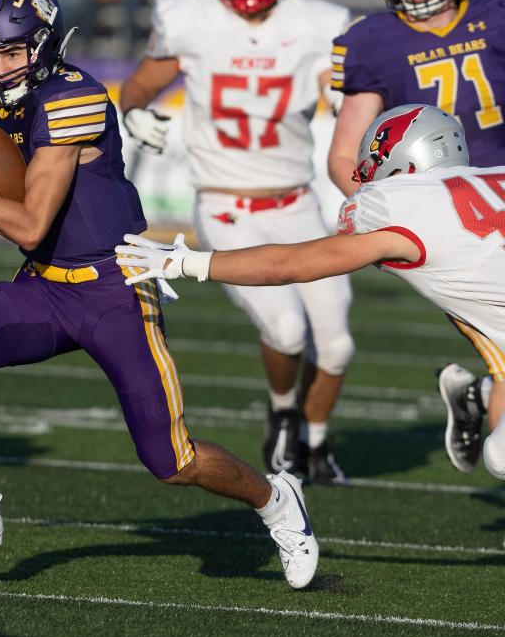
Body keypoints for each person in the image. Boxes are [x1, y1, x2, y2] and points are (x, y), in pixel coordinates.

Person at [0, 0, 319, 589]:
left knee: (171, 461)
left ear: (45, 45)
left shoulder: (71, 97)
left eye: (11, 53)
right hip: (48, 286)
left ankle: (276, 501)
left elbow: (28, 224)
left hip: (116, 287)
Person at [117, 104, 505, 483]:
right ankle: (485, 393)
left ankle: (484, 393)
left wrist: (188, 263)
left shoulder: (402, 205)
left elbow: (289, 266)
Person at [119, 0, 354, 483]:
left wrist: (346, 103)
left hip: (297, 201)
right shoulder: (188, 18)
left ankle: (315, 442)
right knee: (287, 329)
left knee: (338, 343)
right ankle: (281, 416)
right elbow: (142, 81)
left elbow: (338, 88)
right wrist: (133, 110)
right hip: (226, 204)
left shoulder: (317, 22)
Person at [326, 0, 505, 468]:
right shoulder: (372, 40)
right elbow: (346, 154)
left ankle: (475, 396)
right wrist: (379, 210)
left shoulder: (495, 14)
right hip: (454, 221)